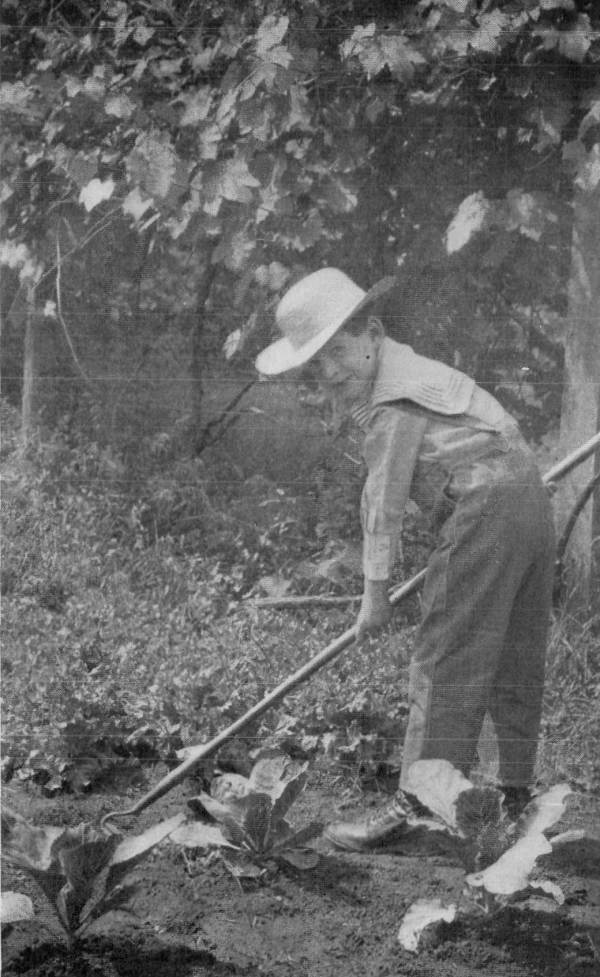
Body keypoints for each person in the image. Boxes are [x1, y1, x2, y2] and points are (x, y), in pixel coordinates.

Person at [255, 268, 556, 853]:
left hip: (488, 504)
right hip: (528, 495)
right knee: (515, 654)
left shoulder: (393, 400)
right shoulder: (415, 369)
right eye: (318, 363)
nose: (332, 370)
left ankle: (417, 806)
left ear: (371, 332)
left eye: (338, 351)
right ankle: (516, 798)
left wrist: (375, 596)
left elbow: (384, 502)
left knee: (444, 656)